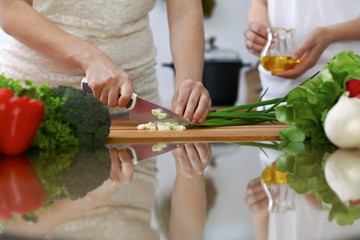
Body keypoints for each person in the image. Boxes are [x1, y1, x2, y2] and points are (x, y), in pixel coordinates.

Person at [0, 0, 211, 125]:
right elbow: (10, 7)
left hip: (134, 113)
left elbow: (185, 10)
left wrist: (188, 83)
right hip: (33, 106)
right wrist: (90, 58)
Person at [243, 0, 360, 101]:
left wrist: (330, 35)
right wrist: (258, 25)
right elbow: (260, 2)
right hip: (273, 99)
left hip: (346, 95)